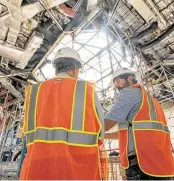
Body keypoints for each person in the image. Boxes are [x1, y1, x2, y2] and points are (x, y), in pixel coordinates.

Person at [20, 47, 107, 180]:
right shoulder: (85, 90)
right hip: (78, 167)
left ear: (56, 68)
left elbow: (26, 131)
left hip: (39, 165)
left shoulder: (34, 92)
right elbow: (101, 131)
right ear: (76, 69)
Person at [104, 67, 174, 180]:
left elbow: (108, 122)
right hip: (161, 162)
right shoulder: (149, 100)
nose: (117, 86)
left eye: (118, 81)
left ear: (130, 78)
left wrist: (88, 132)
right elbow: (127, 133)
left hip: (143, 163)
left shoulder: (129, 92)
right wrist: (103, 136)